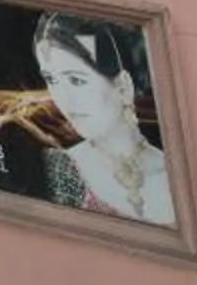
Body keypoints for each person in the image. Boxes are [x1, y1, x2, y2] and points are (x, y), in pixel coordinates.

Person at [33, 12, 175, 226]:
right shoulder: (61, 169)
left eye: (76, 80)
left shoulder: (173, 169)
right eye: (51, 80)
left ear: (122, 86)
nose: (63, 99)